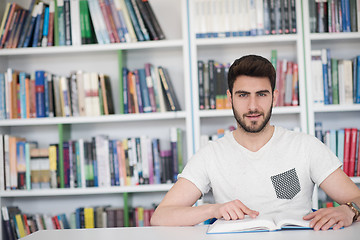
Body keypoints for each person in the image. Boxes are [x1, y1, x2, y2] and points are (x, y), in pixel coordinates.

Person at [150, 55, 360, 230]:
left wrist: (348, 209)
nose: (253, 106)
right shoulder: (211, 155)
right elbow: (160, 217)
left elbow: (355, 198)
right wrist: (214, 210)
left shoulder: (306, 147)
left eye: (261, 94)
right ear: (230, 98)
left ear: (274, 97)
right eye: (243, 95)